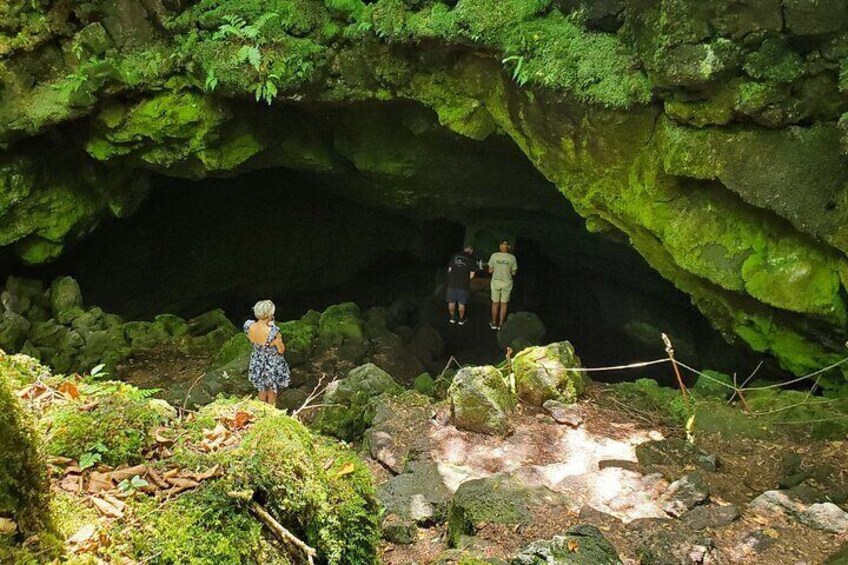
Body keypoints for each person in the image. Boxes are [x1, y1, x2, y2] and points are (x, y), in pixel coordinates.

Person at [244, 300, 290, 405]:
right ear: (270, 314)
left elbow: (252, 339)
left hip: (257, 361)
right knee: (272, 391)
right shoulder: (273, 332)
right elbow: (281, 350)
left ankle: (261, 411)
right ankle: (271, 412)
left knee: (261, 390)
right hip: (271, 363)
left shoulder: (248, 325)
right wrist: (277, 338)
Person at [488, 239, 517, 330]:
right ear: (508, 246)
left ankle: (493, 323)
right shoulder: (512, 258)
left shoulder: (494, 255)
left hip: (496, 282)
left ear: (500, 246)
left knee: (495, 303)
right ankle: (500, 324)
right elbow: (514, 272)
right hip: (507, 283)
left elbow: (490, 270)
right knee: (504, 304)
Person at [445, 244, 476, 325]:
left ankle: (452, 318)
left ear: (464, 249)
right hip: (463, 284)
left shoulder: (455, 255)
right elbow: (472, 275)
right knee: (461, 303)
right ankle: (461, 320)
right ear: (471, 251)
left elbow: (449, 269)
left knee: (451, 302)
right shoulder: (472, 259)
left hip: (452, 283)